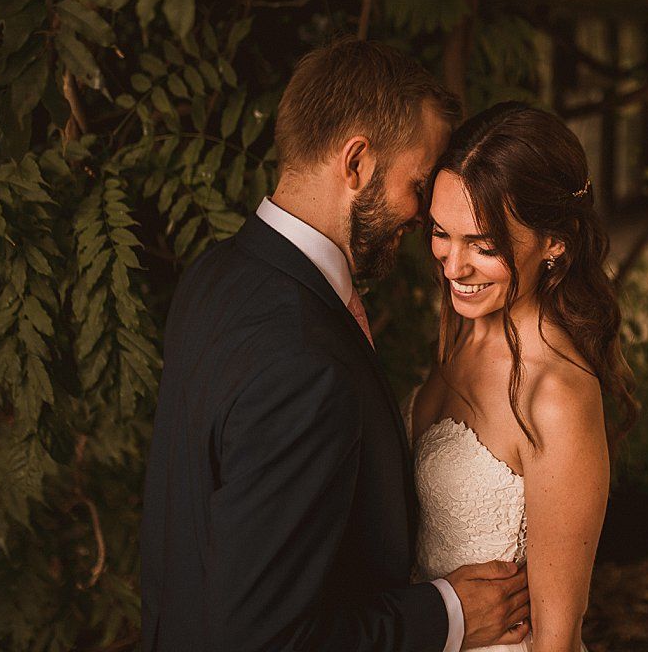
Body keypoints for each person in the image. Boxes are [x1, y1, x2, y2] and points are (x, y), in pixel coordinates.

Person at [140, 40, 531, 651]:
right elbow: (263, 640)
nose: (424, 214)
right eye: (419, 184)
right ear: (356, 163)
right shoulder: (303, 359)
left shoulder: (216, 275)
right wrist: (448, 614)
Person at [406, 102, 638, 652]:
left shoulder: (555, 395)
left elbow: (557, 637)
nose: (453, 266)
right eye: (441, 233)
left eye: (484, 246)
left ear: (555, 242)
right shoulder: (465, 329)